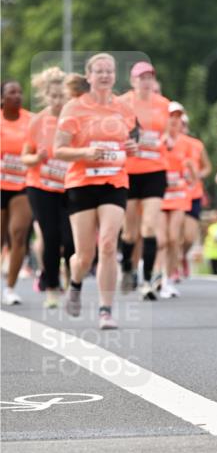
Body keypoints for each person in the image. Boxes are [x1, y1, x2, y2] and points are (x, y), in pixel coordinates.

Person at [54, 52, 138, 329]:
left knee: (109, 244)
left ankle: (105, 310)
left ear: (115, 76)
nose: (104, 75)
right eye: (99, 71)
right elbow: (59, 150)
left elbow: (128, 143)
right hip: (81, 183)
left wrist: (131, 148)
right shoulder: (74, 108)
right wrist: (87, 152)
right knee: (84, 255)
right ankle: (75, 282)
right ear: (88, 76)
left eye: (109, 71)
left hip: (114, 182)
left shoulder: (124, 109)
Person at [118, 61, 170, 300]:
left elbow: (169, 132)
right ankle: (127, 268)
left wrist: (168, 140)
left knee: (149, 226)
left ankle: (148, 279)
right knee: (129, 232)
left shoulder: (164, 105)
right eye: (141, 77)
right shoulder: (122, 104)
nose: (146, 81)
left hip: (155, 171)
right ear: (132, 80)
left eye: (149, 77)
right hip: (128, 171)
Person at [22, 67, 73, 309]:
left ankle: (70, 276)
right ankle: (52, 287)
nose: (58, 101)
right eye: (53, 96)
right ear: (46, 96)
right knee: (51, 237)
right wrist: (38, 157)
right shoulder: (37, 121)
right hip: (41, 186)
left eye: (62, 96)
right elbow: (25, 158)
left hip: (70, 185)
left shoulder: (75, 120)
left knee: (71, 239)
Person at [1, 80, 33, 305]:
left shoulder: (31, 120)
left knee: (19, 233)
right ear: (2, 98)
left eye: (20, 92)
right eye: (12, 92)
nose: (17, 96)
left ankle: (10, 288)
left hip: (22, 184)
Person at [158, 102, 195, 298]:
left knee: (174, 239)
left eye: (178, 117)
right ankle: (155, 276)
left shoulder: (187, 143)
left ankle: (169, 279)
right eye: (171, 117)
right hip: (161, 195)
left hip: (179, 196)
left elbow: (193, 175)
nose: (174, 121)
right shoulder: (157, 142)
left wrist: (189, 175)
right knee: (161, 240)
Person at [181, 116, 212, 278]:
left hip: (193, 194)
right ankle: (169, 269)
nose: (181, 126)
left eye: (184, 123)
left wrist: (197, 174)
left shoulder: (196, 145)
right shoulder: (166, 144)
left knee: (189, 236)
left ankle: (181, 256)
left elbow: (207, 167)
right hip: (172, 195)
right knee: (171, 236)